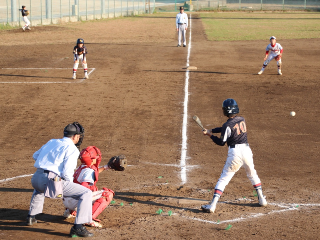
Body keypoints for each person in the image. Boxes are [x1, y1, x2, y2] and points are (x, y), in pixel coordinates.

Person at [26, 122, 94, 238]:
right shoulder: (72, 149)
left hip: (36, 178)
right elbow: (68, 172)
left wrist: (49, 162)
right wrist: (69, 188)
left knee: (39, 190)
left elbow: (35, 155)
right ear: (75, 136)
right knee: (86, 193)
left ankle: (31, 217)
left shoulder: (52, 141)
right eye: (79, 136)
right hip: (49, 182)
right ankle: (78, 227)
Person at [201, 99, 267, 213]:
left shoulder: (226, 125)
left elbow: (221, 142)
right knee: (252, 174)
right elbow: (225, 128)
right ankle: (262, 199)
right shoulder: (242, 119)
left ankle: (212, 205)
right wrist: (211, 130)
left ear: (225, 111)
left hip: (235, 154)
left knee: (224, 179)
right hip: (246, 151)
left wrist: (210, 135)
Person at [62, 146, 115, 228]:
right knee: (107, 194)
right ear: (92, 159)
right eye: (96, 157)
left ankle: (69, 212)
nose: (97, 158)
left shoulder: (81, 167)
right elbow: (83, 189)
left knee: (81, 187)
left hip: (67, 200)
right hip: (75, 202)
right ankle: (88, 219)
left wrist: (106, 167)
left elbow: (92, 173)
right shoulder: (89, 171)